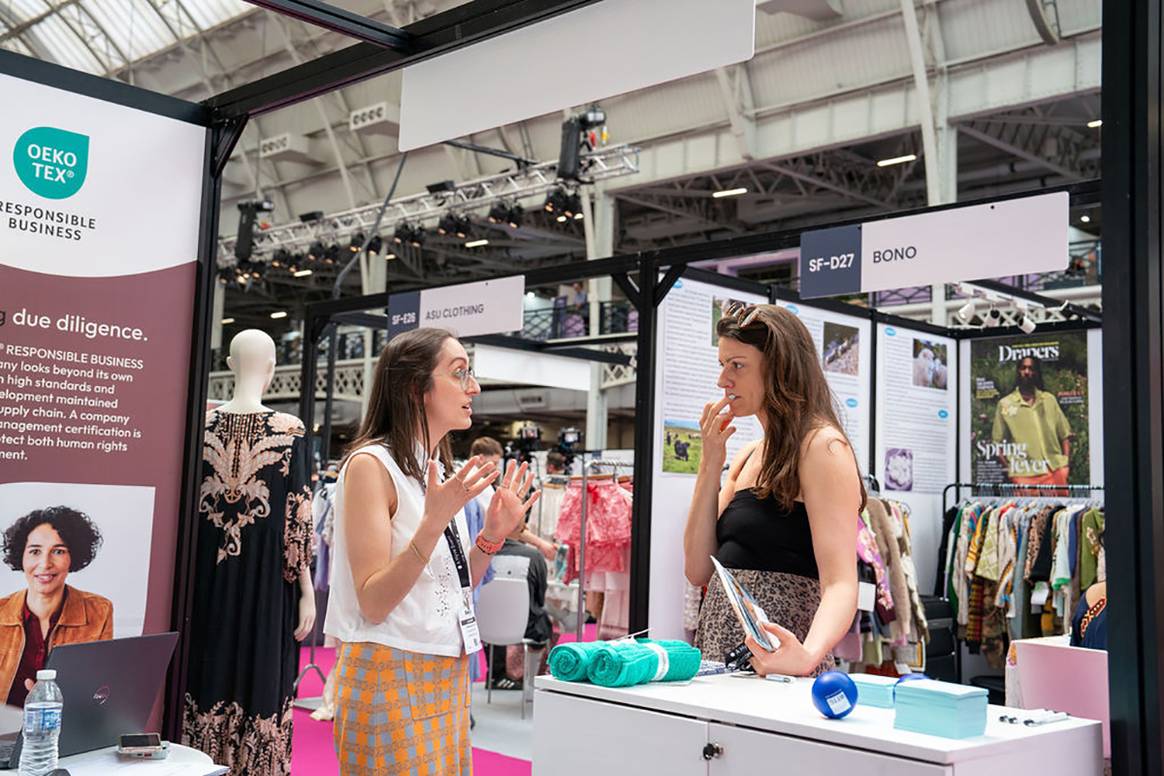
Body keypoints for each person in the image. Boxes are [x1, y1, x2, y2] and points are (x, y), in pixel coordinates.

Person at [325, 328, 537, 776]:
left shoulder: (435, 469)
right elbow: (374, 601)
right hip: (388, 666)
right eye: (460, 374)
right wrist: (434, 521)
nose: (473, 388)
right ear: (413, 388)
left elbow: (454, 584)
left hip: (445, 667)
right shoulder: (370, 466)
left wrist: (493, 535)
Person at [684, 304, 862, 677]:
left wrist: (808, 654)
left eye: (737, 365)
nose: (723, 381)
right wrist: (710, 463)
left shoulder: (822, 447)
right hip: (719, 653)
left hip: (783, 658)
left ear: (779, 367)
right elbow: (698, 568)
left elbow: (842, 582)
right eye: (722, 364)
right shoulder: (750, 454)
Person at [0, 506, 113, 707]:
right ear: (21, 556)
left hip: (63, 733)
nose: (45, 563)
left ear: (73, 557)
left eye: (58, 551)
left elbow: (100, 693)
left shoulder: (99, 611)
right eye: (35, 551)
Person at [485, 516, 554, 690]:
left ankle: (498, 673)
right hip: (526, 627)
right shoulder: (534, 556)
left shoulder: (482, 553)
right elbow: (540, 596)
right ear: (522, 527)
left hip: (485, 625)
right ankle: (531, 676)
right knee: (544, 620)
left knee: (496, 612)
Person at [471, 436, 557, 561]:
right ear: (481, 458)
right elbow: (506, 526)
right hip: (481, 555)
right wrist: (540, 543)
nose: (496, 468)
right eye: (494, 463)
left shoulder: (475, 482)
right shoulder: (481, 487)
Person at [991, 356, 1073, 487]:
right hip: (1025, 477)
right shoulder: (1006, 404)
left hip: (1056, 472)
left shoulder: (1049, 400)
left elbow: (1065, 435)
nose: (1027, 372)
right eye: (1023, 368)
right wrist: (1013, 473)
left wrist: (1065, 465)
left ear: (1036, 372)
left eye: (1031, 368)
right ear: (1018, 371)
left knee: (1062, 508)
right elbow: (997, 443)